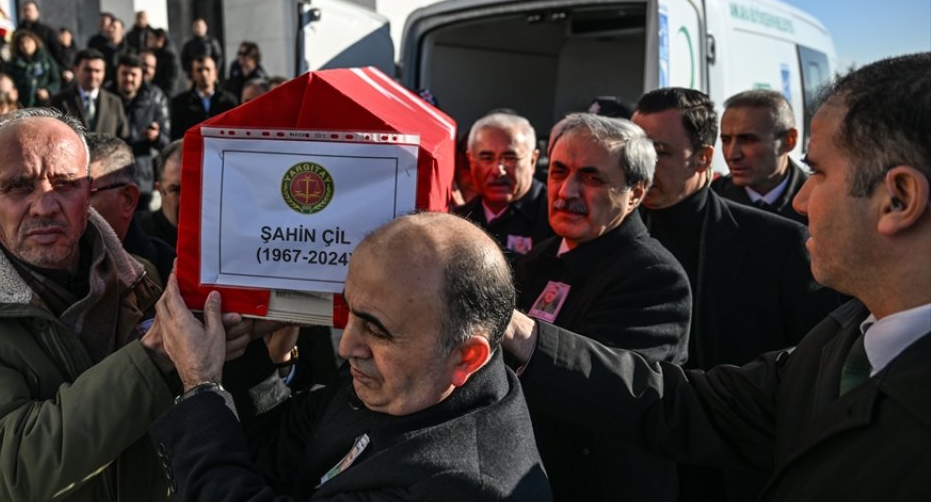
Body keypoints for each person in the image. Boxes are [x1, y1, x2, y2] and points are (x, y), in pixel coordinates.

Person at [497, 53, 931, 501]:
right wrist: (519, 332)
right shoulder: (840, 340)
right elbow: (689, 405)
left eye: (818, 172)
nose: (801, 200)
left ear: (898, 199)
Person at [149, 212, 552, 500]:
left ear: (466, 357)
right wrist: (244, 347)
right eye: (350, 313)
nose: (347, 346)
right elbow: (276, 445)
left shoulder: (460, 486)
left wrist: (200, 383)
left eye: (377, 329)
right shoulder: (413, 381)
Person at [0, 108, 175, 500]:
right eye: (19, 186)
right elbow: (18, 463)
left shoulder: (140, 280)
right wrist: (157, 356)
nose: (45, 206)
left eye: (64, 183)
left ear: (88, 192)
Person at [515, 112, 691, 501]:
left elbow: (602, 388)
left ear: (636, 193)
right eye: (558, 172)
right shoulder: (536, 260)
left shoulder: (655, 277)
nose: (566, 192)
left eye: (592, 178)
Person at [631, 88, 835, 369]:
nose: (641, 166)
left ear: (702, 157)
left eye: (659, 152)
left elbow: (815, 356)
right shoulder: (611, 226)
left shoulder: (785, 240)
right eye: (636, 152)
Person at [454, 112, 553, 262]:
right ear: (471, 160)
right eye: (487, 158)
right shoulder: (460, 220)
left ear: (533, 160)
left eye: (510, 158)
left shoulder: (556, 217)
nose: (498, 170)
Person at [712, 90, 809, 225]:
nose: (731, 155)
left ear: (789, 140)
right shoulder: (711, 202)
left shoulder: (822, 203)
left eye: (747, 140)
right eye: (726, 140)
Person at [86, 132, 174, 280]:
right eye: (63, 189)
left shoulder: (169, 274)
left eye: (86, 193)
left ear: (128, 199)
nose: (68, 203)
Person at [115, 53, 171, 205]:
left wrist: (156, 137)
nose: (129, 78)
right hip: (111, 177)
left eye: (133, 74)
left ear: (141, 76)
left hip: (143, 178)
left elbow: (167, 142)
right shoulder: (107, 97)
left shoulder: (155, 98)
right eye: (124, 73)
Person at [51, 48, 129, 137]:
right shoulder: (59, 101)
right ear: (76, 70)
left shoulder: (114, 102)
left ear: (104, 72)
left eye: (97, 71)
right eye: (88, 70)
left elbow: (123, 137)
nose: (93, 75)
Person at [170, 54, 238, 139]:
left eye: (207, 69)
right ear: (193, 74)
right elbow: (176, 136)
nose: (204, 73)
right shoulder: (180, 103)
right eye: (199, 70)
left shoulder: (229, 102)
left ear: (215, 73)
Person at [136, 139, 182, 247]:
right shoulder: (136, 235)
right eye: (176, 190)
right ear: (159, 189)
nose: (187, 199)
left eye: (195, 188)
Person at [2, 28, 62, 106]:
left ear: (35, 42)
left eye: (28, 41)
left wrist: (48, 90)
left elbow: (56, 80)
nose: (25, 45)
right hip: (21, 104)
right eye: (21, 43)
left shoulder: (46, 60)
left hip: (44, 104)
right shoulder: (13, 65)